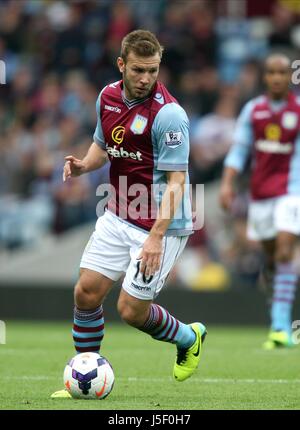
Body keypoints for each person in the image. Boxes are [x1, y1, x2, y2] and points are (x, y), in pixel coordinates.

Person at [51, 30, 207, 398]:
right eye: (138, 70)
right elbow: (103, 146)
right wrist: (82, 166)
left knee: (132, 311)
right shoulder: (106, 97)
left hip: (162, 225)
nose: (145, 78)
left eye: (153, 70)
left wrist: (155, 237)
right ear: (122, 64)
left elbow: (177, 181)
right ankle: (85, 375)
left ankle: (189, 337)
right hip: (119, 212)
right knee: (86, 292)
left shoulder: (169, 115)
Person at [219, 53, 300, 349]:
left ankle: (280, 327)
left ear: (289, 76)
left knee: (284, 249)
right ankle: (278, 314)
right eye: (271, 72)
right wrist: (227, 184)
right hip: (260, 194)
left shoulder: (299, 110)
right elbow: (239, 151)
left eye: (282, 72)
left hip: (292, 192)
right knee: (271, 257)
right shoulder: (253, 110)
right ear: (264, 77)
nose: (277, 78)